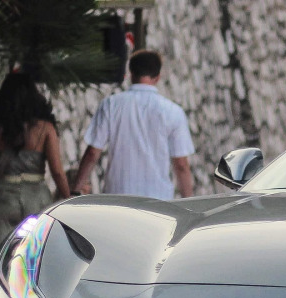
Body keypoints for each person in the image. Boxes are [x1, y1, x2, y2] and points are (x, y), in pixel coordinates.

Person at [72, 50, 196, 198]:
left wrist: (75, 190)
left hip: (118, 198)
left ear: (131, 74)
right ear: (157, 77)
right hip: (158, 201)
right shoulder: (173, 112)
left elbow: (92, 153)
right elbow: (181, 165)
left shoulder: (111, 105)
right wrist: (189, 206)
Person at [0, 72, 72, 252]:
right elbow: (57, 171)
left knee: (2, 254)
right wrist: (68, 198)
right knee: (36, 253)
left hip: (5, 197)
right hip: (37, 197)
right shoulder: (46, 129)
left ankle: (4, 281)